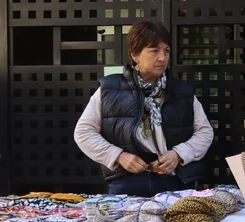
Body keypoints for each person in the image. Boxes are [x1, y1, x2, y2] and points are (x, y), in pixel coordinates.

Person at [74, 19, 214, 196]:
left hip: (174, 180)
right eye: (154, 51)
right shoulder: (110, 89)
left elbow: (204, 132)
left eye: (166, 50)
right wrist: (118, 156)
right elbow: (84, 132)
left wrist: (178, 154)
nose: (162, 58)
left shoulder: (181, 91)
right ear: (135, 55)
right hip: (126, 180)